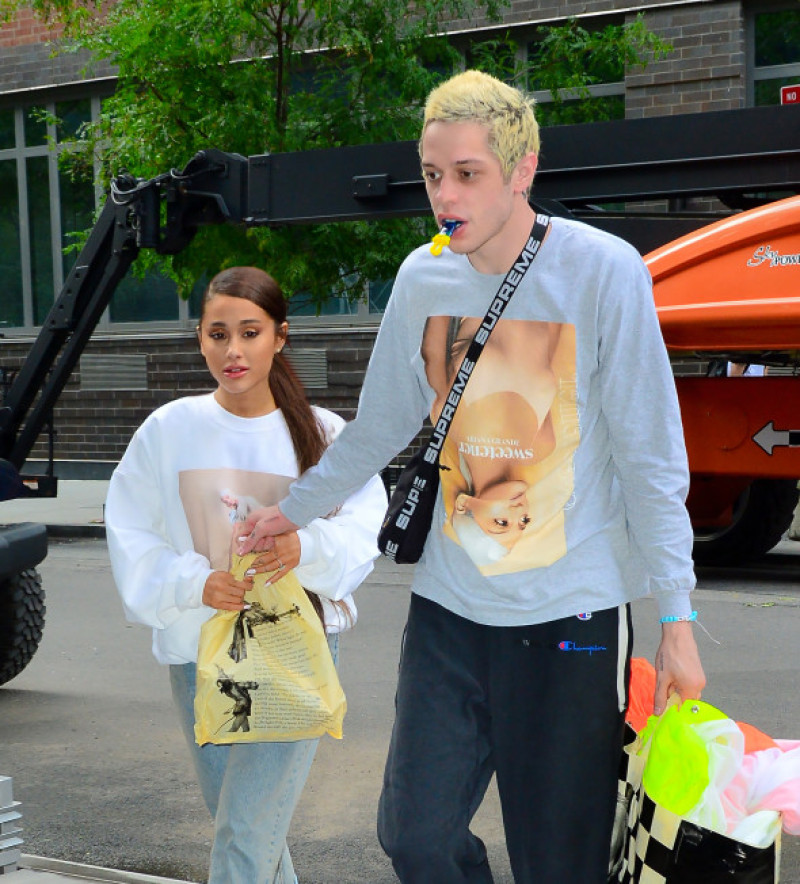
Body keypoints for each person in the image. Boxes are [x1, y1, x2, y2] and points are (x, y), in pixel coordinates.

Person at [236, 70, 706, 883]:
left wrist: (677, 616)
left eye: (466, 174)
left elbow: (651, 454)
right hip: (451, 611)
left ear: (522, 170)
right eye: (431, 174)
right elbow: (379, 425)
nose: (443, 195)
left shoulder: (602, 272)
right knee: (415, 837)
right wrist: (294, 512)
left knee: (559, 862)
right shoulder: (424, 278)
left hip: (572, 614)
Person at [104, 266, 386, 884]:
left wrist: (301, 547)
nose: (233, 351)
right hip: (197, 654)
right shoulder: (169, 430)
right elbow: (130, 530)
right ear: (199, 338)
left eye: (250, 332)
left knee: (243, 837)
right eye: (217, 333)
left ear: (280, 337)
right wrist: (192, 583)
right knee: (247, 832)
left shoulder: (323, 433)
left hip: (295, 655)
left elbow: (366, 526)